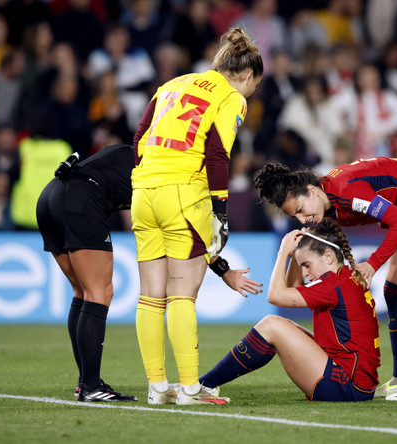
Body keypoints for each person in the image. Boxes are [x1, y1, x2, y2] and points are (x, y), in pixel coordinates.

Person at [253, 157, 397, 401]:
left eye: (301, 210)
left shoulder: (345, 191)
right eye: (296, 217)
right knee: (394, 292)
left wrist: (372, 263)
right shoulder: (327, 206)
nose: (303, 219)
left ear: (312, 190)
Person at [131, 27, 264, 406]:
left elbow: (139, 139)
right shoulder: (231, 96)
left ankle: (158, 388)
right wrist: (219, 209)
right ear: (249, 75)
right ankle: (190, 388)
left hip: (143, 191)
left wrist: (147, 180)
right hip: (183, 193)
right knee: (182, 295)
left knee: (150, 297)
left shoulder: (172, 85)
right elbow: (218, 153)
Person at [198, 219, 380, 402]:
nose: (305, 273)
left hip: (345, 384)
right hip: (359, 384)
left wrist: (283, 252)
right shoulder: (346, 279)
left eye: (307, 265)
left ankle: (205, 385)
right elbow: (294, 287)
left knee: (272, 325)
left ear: (328, 257)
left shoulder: (332, 285)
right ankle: (205, 384)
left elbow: (275, 296)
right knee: (284, 325)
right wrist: (295, 257)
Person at [36, 143, 138, 402]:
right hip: (80, 197)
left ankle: (87, 383)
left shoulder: (131, 151)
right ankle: (91, 386)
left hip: (51, 195)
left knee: (83, 292)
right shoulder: (167, 164)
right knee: (99, 292)